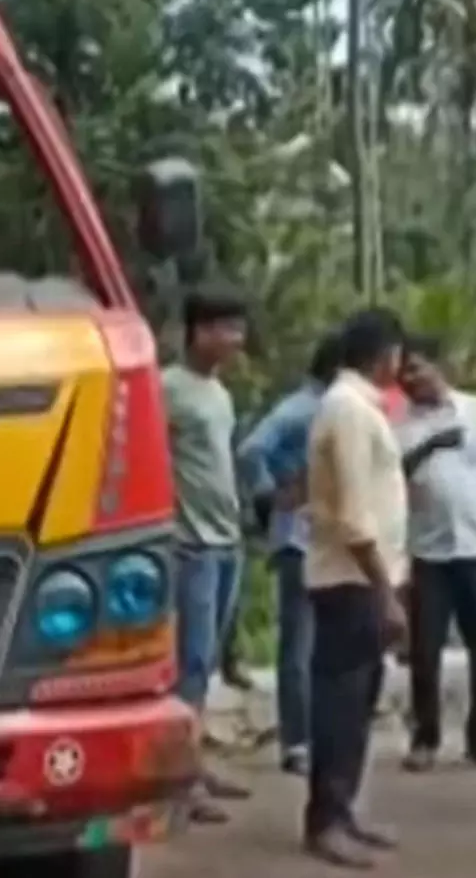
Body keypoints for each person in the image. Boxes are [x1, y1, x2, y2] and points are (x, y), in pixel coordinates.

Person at [301, 307, 410, 869]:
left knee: (358, 702)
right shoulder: (346, 409)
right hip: (351, 579)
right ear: (385, 354)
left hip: (364, 577)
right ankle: (326, 820)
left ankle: (342, 810)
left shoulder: (359, 408)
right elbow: (352, 513)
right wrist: (385, 590)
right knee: (340, 704)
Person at [161, 283, 253, 824]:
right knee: (189, 664)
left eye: (238, 329)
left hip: (226, 542)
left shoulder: (219, 393)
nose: (236, 339)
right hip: (190, 545)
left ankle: (194, 763)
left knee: (207, 662)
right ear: (199, 332)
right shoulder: (167, 387)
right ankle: (180, 780)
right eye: (227, 328)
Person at [236, 331, 344, 775]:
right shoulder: (302, 408)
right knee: (298, 645)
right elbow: (251, 449)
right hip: (298, 538)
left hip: (324, 538)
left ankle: (314, 736)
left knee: (317, 644)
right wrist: (269, 493)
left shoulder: (330, 407)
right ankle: (297, 742)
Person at [393, 334, 476, 772]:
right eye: (402, 372)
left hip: (473, 546)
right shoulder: (398, 425)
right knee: (424, 650)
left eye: (416, 368)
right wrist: (430, 446)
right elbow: (392, 475)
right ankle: (425, 737)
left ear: (438, 366)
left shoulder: (472, 411)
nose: (409, 379)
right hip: (428, 551)